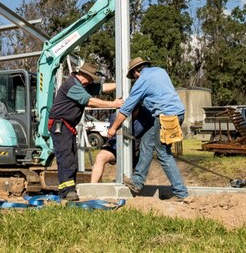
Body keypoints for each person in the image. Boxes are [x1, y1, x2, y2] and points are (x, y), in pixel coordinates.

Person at [107, 57, 189, 200]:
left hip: (165, 117)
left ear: (135, 72)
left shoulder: (141, 82)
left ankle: (181, 193)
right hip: (177, 114)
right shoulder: (160, 71)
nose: (134, 79)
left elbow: (126, 109)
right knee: (146, 142)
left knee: (163, 153)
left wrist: (113, 128)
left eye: (133, 77)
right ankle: (137, 182)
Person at [49, 61, 123, 201]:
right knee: (66, 157)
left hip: (67, 126)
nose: (91, 82)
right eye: (90, 78)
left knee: (71, 157)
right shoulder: (72, 85)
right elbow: (89, 101)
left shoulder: (83, 85)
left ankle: (65, 190)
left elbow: (102, 87)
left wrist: (123, 83)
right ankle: (68, 191)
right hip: (60, 126)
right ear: (83, 75)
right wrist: (112, 104)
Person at [90, 106, 153, 183]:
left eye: (133, 112)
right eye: (127, 112)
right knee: (100, 157)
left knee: (134, 170)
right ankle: (93, 187)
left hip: (136, 149)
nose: (129, 114)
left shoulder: (146, 114)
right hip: (116, 146)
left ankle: (132, 184)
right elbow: (113, 138)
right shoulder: (115, 116)